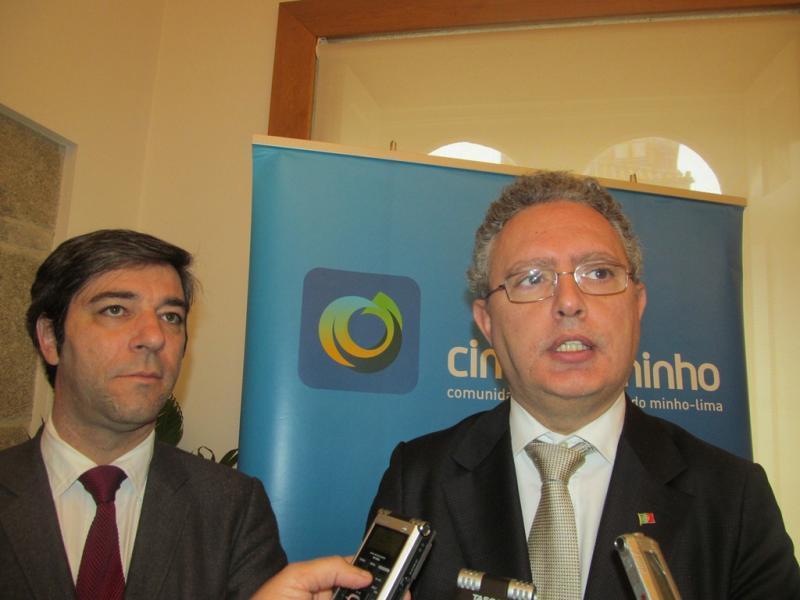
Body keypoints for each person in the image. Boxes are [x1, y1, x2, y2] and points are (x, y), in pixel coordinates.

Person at [368, 171, 800, 599]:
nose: (569, 303)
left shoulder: (733, 497)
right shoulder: (418, 478)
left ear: (637, 305)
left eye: (598, 273)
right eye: (532, 278)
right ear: (487, 322)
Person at [0, 229, 372, 599]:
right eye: (115, 310)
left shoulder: (231, 506)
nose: (154, 336)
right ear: (50, 338)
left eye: (171, 316)